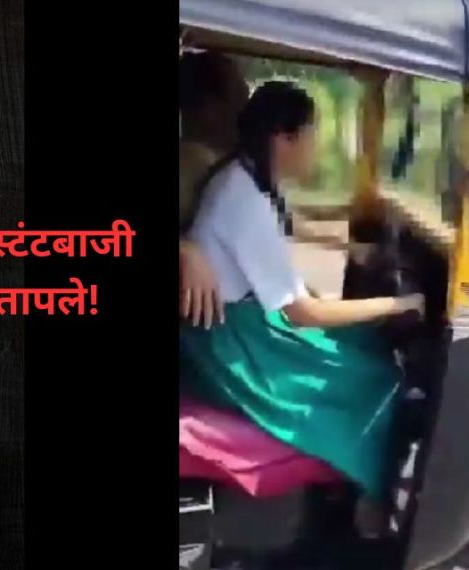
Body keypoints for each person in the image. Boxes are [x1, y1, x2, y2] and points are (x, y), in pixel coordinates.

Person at [179, 82, 424, 537]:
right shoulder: (244, 199)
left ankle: (349, 482)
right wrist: (398, 303)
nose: (316, 146)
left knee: (362, 342)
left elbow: (288, 226)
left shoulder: (248, 175)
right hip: (231, 346)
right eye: (312, 134)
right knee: (377, 377)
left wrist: (352, 248)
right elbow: (302, 313)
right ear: (283, 138)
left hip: (237, 325)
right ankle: (368, 499)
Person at [179, 51, 249, 328]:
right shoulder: (190, 165)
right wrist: (185, 250)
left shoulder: (233, 167)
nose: (246, 112)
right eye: (239, 100)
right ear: (209, 108)